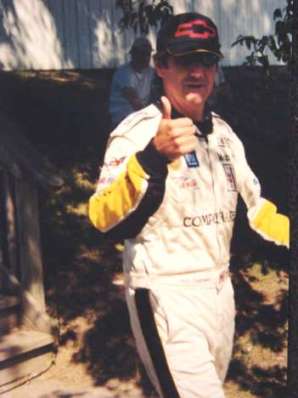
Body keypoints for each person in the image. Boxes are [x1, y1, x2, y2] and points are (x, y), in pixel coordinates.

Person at [89, 12, 289, 398]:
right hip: (166, 294)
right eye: (184, 60)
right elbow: (102, 219)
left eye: (206, 60)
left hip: (219, 293)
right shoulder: (138, 132)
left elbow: (257, 209)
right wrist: (151, 160)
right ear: (161, 65)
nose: (197, 71)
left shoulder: (226, 137)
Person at [109, 37, 154, 128]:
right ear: (133, 54)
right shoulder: (123, 72)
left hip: (140, 115)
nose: (145, 57)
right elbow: (134, 101)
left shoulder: (151, 72)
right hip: (123, 118)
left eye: (147, 54)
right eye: (141, 54)